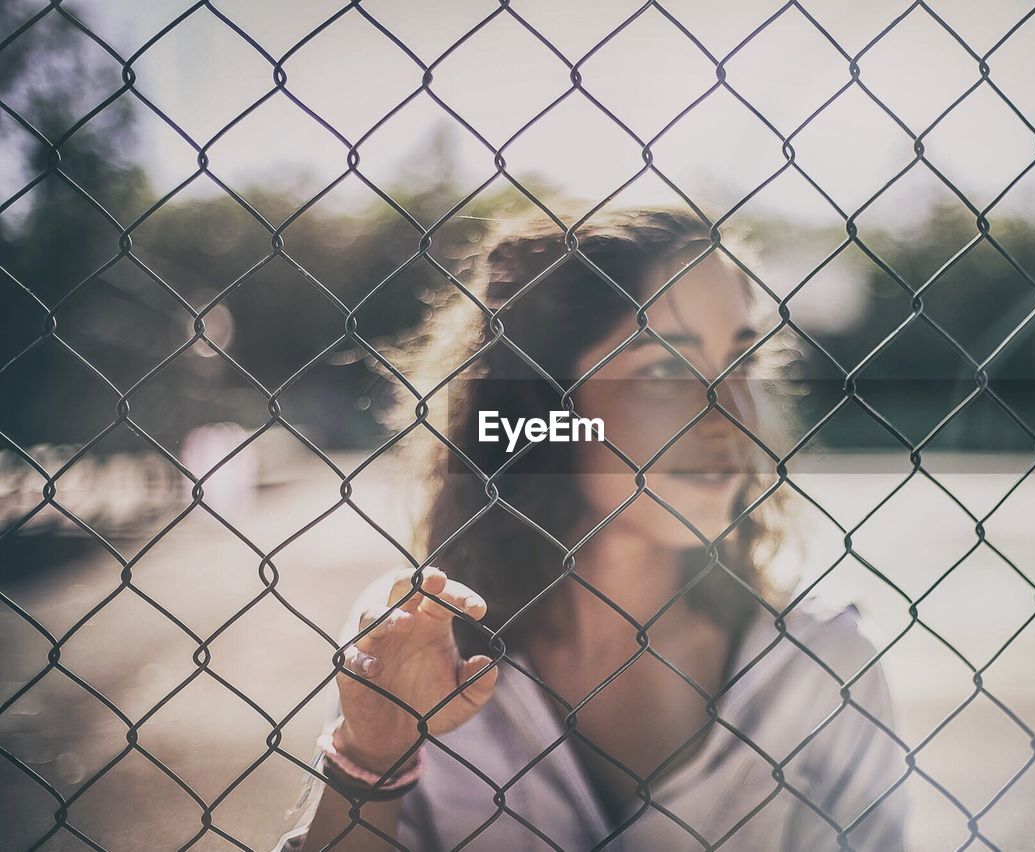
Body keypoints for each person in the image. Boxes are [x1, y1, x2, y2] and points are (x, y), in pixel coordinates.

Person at [271, 207, 907, 851]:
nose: (731, 415)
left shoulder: (823, 663)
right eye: (663, 372)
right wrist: (371, 759)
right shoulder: (423, 651)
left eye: (741, 364)